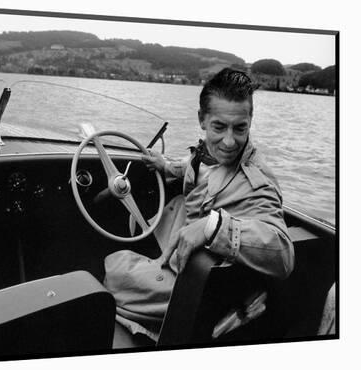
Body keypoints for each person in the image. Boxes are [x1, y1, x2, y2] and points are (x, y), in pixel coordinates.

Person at [103, 67, 295, 342]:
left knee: (114, 269)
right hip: (178, 246)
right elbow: (196, 167)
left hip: (194, 282)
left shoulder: (257, 183)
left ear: (250, 123)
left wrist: (213, 226)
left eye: (240, 128)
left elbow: (283, 253)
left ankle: (150, 334)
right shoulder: (206, 153)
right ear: (202, 121)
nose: (229, 141)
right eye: (219, 127)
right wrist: (166, 166)